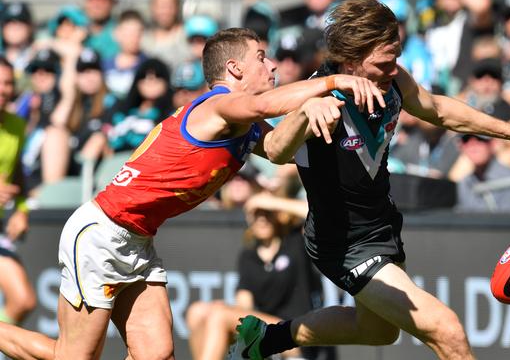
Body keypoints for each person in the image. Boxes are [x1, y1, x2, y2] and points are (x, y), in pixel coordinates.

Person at [0, 27, 385, 359]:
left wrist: (309, 111)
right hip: (101, 234)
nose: (271, 67)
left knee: (159, 354)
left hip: (136, 240)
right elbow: (266, 104)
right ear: (235, 68)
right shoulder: (219, 105)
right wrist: (335, 81)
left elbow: (276, 151)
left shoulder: (243, 122)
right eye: (262, 57)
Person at [228, 0, 510, 360]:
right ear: (350, 63)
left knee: (376, 331)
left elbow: (438, 109)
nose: (394, 69)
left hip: (382, 227)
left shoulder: (389, 76)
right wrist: (304, 114)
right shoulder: (321, 100)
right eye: (383, 62)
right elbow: (278, 151)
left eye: (395, 57)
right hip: (343, 245)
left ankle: (265, 340)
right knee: (447, 329)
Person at [186, 192, 334, 360]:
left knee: (219, 315)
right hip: (268, 332)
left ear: (276, 215)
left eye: (266, 213)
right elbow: (244, 305)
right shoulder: (248, 256)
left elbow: (322, 215)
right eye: (256, 214)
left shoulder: (295, 242)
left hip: (296, 331)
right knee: (197, 312)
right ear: (249, 220)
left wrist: (273, 202)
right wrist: (228, 311)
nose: (262, 219)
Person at [0, 57, 34, 326]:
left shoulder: (16, 125)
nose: (3, 88)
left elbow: (18, 174)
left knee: (22, 300)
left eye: (8, 82)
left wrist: (21, 210)